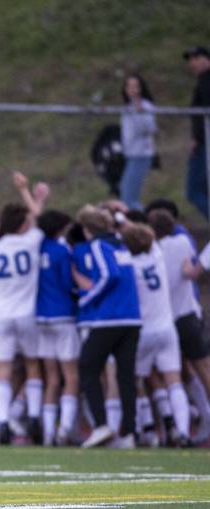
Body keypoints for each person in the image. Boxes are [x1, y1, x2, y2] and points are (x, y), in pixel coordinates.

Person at [0, 171, 49, 445]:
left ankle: (1, 421)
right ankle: (34, 416)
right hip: (26, 313)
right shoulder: (31, 241)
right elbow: (37, 218)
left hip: (0, 313)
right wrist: (30, 194)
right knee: (33, 364)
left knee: (3, 369)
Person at [72, 206, 142, 448]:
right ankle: (130, 432)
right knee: (125, 375)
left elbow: (108, 276)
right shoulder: (120, 244)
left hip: (111, 317)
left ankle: (101, 426)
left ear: (87, 229)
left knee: (87, 366)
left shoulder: (99, 246)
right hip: (132, 318)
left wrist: (87, 299)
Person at [121, 223, 192, 447]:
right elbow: (144, 236)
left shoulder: (129, 264)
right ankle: (182, 430)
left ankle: (148, 428)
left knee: (137, 380)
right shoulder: (157, 256)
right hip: (166, 327)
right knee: (174, 381)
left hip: (143, 330)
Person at [151, 207, 210, 443]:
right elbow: (192, 270)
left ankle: (186, 423)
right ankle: (200, 416)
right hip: (187, 316)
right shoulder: (183, 243)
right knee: (201, 369)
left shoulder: (152, 251)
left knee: (176, 372)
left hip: (165, 319)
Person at [36, 209, 81, 445]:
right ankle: (64, 430)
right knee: (71, 376)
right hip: (63, 315)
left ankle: (47, 433)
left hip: (41, 317)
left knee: (51, 378)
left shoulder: (36, 247)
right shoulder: (62, 251)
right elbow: (67, 283)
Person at [119, 74, 158, 210]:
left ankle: (141, 225)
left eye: (135, 86)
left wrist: (140, 113)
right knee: (126, 192)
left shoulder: (145, 106)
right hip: (130, 154)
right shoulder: (127, 107)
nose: (132, 89)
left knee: (129, 197)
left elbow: (150, 129)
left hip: (141, 154)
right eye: (129, 86)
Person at [184, 46, 210, 220]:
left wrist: (198, 139)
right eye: (190, 59)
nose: (192, 63)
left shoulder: (206, 80)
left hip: (205, 144)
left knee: (193, 191)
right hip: (203, 141)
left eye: (196, 58)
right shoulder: (202, 80)